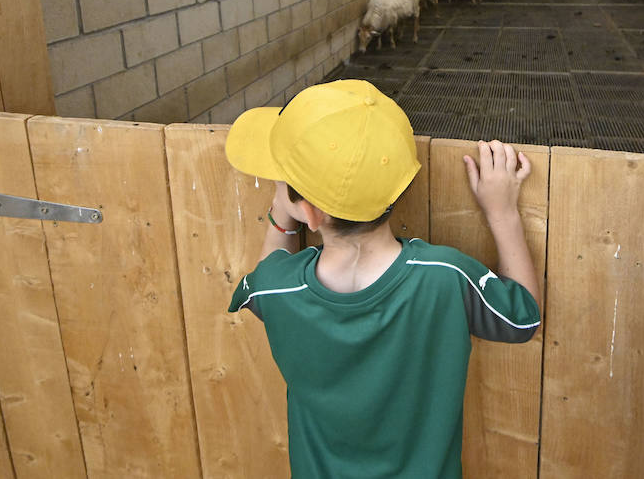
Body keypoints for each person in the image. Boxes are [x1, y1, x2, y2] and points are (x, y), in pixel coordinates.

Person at [225, 79, 541, 479]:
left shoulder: (277, 286)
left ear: (309, 212)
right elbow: (523, 319)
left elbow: (270, 265)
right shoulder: (445, 276)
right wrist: (502, 212)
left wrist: (282, 214)